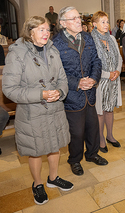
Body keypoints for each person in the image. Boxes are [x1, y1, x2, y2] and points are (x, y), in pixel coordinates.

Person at [2, 16, 73, 205]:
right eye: (41, 29)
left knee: (55, 145)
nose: (46, 33)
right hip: (32, 112)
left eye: (48, 29)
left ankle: (53, 178)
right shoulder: (17, 53)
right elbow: (9, 89)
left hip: (55, 109)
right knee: (36, 150)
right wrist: (41, 94)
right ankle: (38, 183)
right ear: (30, 31)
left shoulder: (52, 49)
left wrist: (59, 91)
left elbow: (62, 78)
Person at [53, 6, 108, 177]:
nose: (78, 21)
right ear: (63, 23)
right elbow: (56, 72)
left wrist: (93, 79)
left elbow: (96, 61)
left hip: (90, 93)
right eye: (73, 18)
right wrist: (77, 83)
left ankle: (92, 154)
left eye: (78, 17)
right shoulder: (55, 43)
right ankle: (75, 160)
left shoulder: (87, 37)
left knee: (93, 127)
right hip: (72, 96)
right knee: (76, 132)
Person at [91, 11, 122, 153]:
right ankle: (101, 138)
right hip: (100, 81)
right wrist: (106, 74)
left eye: (107, 21)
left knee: (110, 109)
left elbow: (119, 57)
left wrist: (117, 71)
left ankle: (110, 135)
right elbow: (92, 63)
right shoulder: (91, 39)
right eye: (102, 22)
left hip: (113, 80)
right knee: (100, 112)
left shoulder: (111, 38)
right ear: (94, 24)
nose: (106, 24)